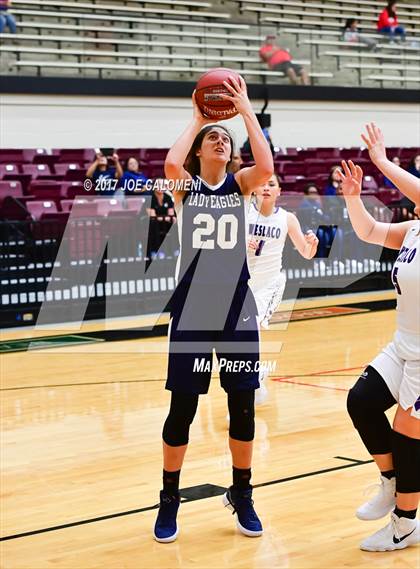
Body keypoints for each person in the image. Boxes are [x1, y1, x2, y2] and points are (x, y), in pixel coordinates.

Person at [153, 75, 273, 543]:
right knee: (181, 409)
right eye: (213, 140)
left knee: (242, 408)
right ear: (201, 152)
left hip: (237, 308)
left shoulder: (241, 185)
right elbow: (167, 163)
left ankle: (241, 493)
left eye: (226, 140)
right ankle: (168, 499)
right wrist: (200, 118)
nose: (221, 142)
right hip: (195, 308)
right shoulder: (186, 187)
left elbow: (265, 164)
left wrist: (243, 111)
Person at [340, 123, 419, 552]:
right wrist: (353, 198)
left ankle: (405, 524)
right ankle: (390, 482)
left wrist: (382, 162)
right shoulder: (413, 231)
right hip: (403, 345)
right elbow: (370, 232)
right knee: (361, 401)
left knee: (408, 432)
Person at [247, 174, 318, 404]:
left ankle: (253, 386)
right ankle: (255, 373)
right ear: (254, 189)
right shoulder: (244, 214)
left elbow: (306, 253)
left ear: (279, 191)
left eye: (272, 184)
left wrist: (313, 245)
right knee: (240, 334)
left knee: (251, 326)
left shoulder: (287, 219)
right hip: (244, 283)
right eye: (263, 183)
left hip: (270, 285)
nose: (266, 187)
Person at [298, 183, 342, 257]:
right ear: (306, 194)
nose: (314, 194)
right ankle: (319, 261)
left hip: (319, 226)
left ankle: (336, 259)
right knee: (320, 233)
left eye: (315, 192)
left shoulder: (318, 204)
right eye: (311, 192)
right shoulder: (304, 205)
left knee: (338, 232)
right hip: (308, 228)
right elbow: (305, 220)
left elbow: (324, 218)